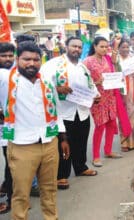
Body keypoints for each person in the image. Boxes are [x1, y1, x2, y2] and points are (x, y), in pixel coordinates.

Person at [0, 41, 70, 220]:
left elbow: (57, 110)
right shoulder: (5, 79)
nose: (31, 63)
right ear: (17, 60)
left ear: (41, 60)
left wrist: (63, 138)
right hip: (22, 146)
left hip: (49, 143)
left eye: (35, 59)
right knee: (21, 194)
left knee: (49, 190)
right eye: (26, 59)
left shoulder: (46, 82)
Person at [40, 36, 99, 190]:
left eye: (79, 47)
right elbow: (42, 83)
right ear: (66, 46)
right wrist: (56, 88)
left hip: (82, 111)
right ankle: (61, 175)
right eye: (73, 46)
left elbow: (91, 85)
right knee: (63, 145)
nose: (76, 49)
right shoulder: (53, 65)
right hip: (63, 112)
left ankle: (81, 167)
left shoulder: (82, 67)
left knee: (81, 141)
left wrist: (96, 95)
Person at [83, 36, 122, 167]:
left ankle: (108, 150)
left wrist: (116, 45)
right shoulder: (87, 62)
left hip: (110, 97)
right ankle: (96, 156)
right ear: (94, 46)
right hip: (97, 98)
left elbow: (115, 62)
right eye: (102, 46)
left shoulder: (107, 59)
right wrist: (96, 82)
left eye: (106, 47)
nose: (104, 49)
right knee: (100, 126)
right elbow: (82, 81)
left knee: (111, 123)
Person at [0, 42, 15, 214]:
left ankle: (12, 196)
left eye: (10, 55)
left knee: (12, 162)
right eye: (3, 56)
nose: (7, 59)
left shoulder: (15, 73)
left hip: (10, 128)